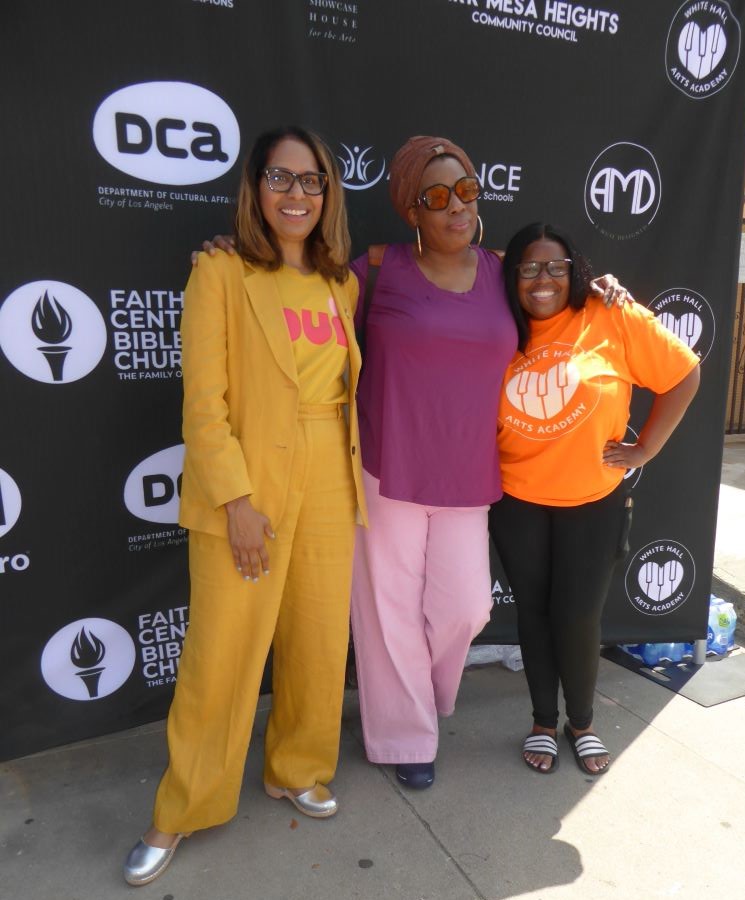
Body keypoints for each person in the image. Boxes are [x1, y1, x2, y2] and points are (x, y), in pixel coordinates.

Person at [196, 136, 625, 792]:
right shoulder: (371, 268)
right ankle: (403, 738)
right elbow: (293, 293)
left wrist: (596, 286)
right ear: (410, 211)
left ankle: (421, 702)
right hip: (383, 468)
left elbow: (554, 295)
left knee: (465, 609)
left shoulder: (502, 271)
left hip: (470, 475)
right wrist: (226, 252)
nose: (456, 206)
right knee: (387, 610)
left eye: (466, 191)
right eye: (435, 196)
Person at [123, 126, 367, 886]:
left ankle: (295, 766)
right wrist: (235, 499)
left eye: (312, 181)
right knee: (222, 652)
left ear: (328, 195)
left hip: (330, 470)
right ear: (255, 188)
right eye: (281, 178)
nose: (297, 194)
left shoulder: (340, 284)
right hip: (248, 482)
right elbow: (203, 404)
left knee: (320, 639)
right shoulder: (220, 272)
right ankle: (180, 808)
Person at [488, 222, 700, 776]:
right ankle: (541, 720)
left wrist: (646, 448)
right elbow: (455, 257)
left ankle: (580, 721)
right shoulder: (493, 321)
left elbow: (683, 373)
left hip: (592, 499)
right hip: (516, 498)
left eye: (556, 267)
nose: (542, 279)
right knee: (532, 615)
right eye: (528, 267)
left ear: (575, 271)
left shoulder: (610, 314)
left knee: (579, 616)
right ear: (510, 275)